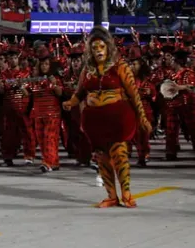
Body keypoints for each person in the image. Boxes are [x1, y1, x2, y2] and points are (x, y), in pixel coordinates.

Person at [63, 27, 151, 208]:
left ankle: (126, 194)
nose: (98, 51)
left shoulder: (121, 66)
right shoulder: (87, 69)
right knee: (101, 158)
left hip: (118, 118)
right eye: (94, 48)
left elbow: (134, 94)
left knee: (119, 154)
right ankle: (111, 196)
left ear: (108, 47)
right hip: (94, 121)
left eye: (101, 47)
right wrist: (71, 102)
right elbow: (79, 93)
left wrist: (142, 117)